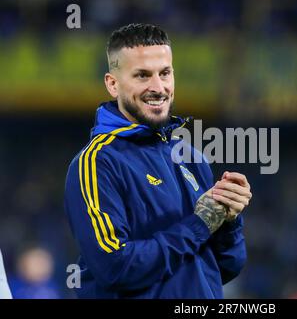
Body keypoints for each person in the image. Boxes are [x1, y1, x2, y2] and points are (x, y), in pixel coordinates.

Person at [64, 23, 252, 298]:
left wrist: (228, 220)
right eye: (142, 75)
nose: (158, 87)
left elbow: (225, 267)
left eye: (165, 73)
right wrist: (200, 225)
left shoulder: (191, 159)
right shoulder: (96, 163)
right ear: (113, 84)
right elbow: (115, 267)